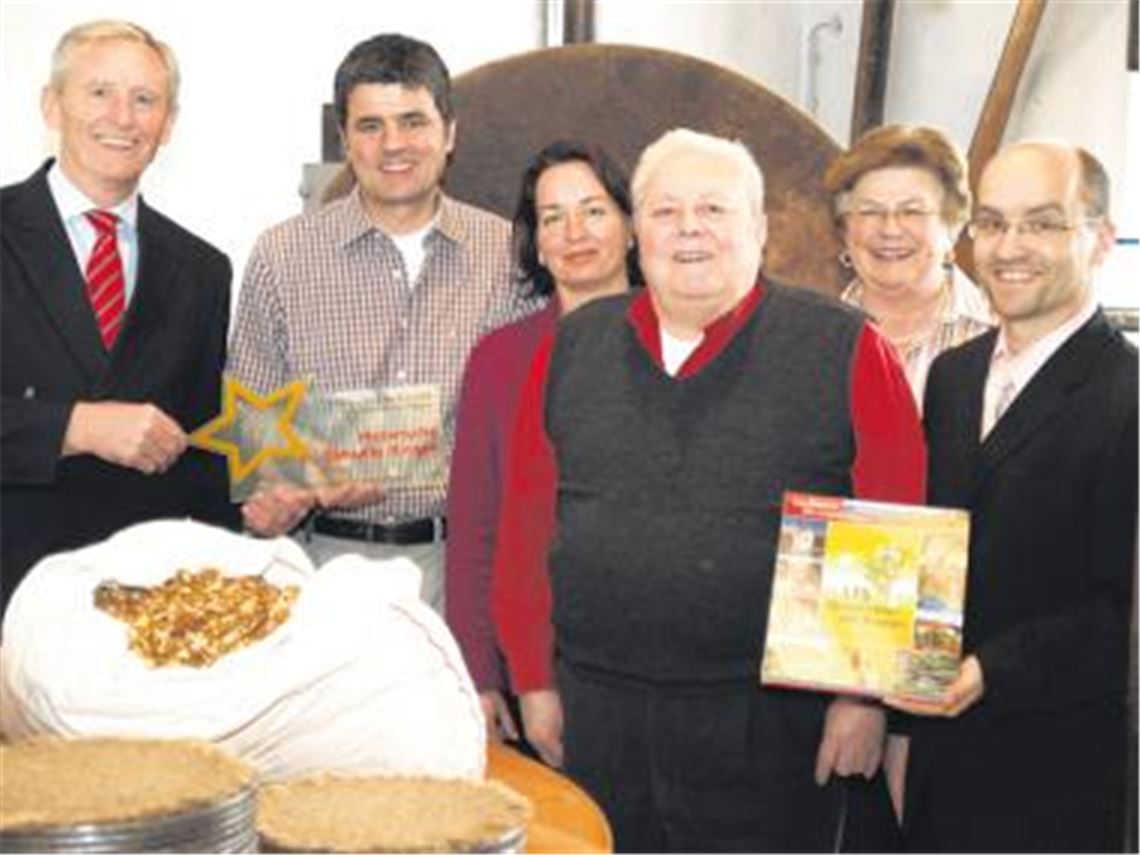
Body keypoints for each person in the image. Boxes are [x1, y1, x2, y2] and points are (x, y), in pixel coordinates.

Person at [492, 128, 927, 851]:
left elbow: (894, 522)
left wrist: (863, 699)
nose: (688, 227)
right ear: (638, 233)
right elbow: (526, 525)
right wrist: (534, 681)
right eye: (665, 211)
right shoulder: (573, 346)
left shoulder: (845, 346)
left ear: (759, 228)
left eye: (715, 209)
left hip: (769, 728)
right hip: (599, 713)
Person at [885, 141, 1136, 852]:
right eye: (991, 223)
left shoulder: (1130, 396)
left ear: (1100, 239)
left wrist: (994, 668)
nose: (1009, 246)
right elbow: (936, 546)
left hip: (1059, 778)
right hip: (941, 757)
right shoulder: (955, 376)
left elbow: (1125, 615)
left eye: (1042, 223)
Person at [228, 33, 537, 610]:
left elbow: (527, 431)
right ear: (344, 139)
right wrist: (283, 488)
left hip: (463, 569)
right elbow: (254, 420)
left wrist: (412, 474)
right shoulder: (281, 256)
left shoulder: (510, 257)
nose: (394, 144)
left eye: (413, 121)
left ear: (450, 132)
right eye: (370, 126)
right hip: (315, 566)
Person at [0, 19, 237, 615]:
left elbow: (200, 450)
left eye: (145, 100)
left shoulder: (204, 270)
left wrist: (273, 493)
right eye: (100, 91)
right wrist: (72, 427)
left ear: (169, 123)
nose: (123, 118)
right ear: (52, 105)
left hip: (140, 613)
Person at [446, 139, 640, 744]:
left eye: (594, 210)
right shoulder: (499, 359)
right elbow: (476, 525)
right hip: (528, 665)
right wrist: (478, 673)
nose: (574, 232)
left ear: (632, 226)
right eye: (552, 217)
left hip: (650, 661)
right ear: (536, 240)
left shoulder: (679, 344)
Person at [824, 124, 992, 407]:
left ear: (952, 224)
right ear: (845, 229)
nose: (890, 229)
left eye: (912, 211)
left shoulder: (1002, 337)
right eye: (870, 211)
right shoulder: (811, 340)